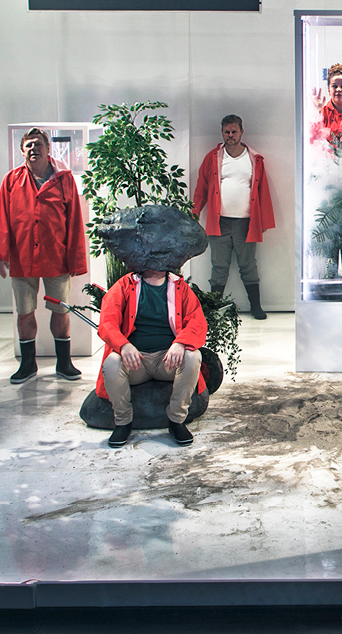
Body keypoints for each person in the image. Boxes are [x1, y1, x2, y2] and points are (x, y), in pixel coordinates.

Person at [0, 127, 88, 385]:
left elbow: (74, 221)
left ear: (48, 148)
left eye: (38, 144)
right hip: (21, 257)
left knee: (60, 310)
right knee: (24, 312)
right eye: (29, 145)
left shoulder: (64, 179)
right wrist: (0, 255)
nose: (34, 149)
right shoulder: (11, 180)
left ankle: (64, 363)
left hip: (56, 257)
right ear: (22, 151)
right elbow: (2, 219)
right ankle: (27, 364)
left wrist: (76, 259)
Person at [95, 267, 208, 448]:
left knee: (193, 357)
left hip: (167, 361)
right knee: (112, 363)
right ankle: (123, 422)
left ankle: (176, 421)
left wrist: (180, 343)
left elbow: (197, 322)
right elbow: (107, 322)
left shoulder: (180, 286)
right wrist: (124, 345)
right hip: (135, 362)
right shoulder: (124, 285)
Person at [193, 115, 276, 320]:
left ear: (241, 132)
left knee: (248, 265)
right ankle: (215, 309)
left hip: (246, 223)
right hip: (219, 222)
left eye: (234, 132)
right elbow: (202, 188)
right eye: (227, 132)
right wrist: (194, 214)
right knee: (218, 266)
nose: (230, 135)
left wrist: (263, 221)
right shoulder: (212, 157)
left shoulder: (254, 159)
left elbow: (263, 191)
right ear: (222, 133)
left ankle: (256, 307)